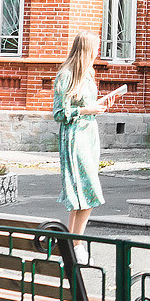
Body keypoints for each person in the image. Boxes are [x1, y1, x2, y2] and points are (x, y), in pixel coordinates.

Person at [54, 30, 112, 236]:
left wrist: (98, 105)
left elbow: (86, 104)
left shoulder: (88, 74)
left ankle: (71, 240)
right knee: (88, 189)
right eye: (96, 47)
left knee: (83, 194)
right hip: (75, 137)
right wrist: (87, 110)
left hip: (89, 135)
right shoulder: (67, 74)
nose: (98, 52)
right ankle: (76, 243)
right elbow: (59, 113)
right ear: (87, 49)